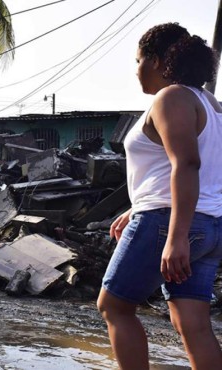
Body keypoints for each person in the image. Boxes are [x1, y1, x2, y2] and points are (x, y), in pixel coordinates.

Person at [96, 23, 222, 370]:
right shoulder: (212, 104)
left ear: (154, 60)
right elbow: (185, 170)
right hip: (209, 225)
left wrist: (177, 236)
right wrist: (134, 207)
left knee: (115, 307)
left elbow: (188, 163)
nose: (136, 70)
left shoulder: (171, 98)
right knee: (192, 323)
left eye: (137, 60)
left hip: (170, 223)